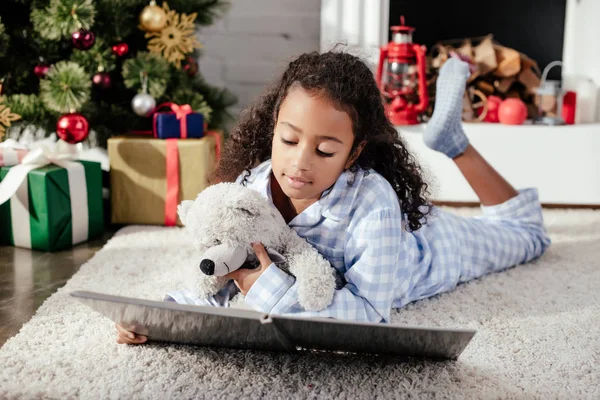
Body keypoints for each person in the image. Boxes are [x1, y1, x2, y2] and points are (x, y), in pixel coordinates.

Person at [116, 51, 551, 345]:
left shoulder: (374, 201)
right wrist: (160, 317)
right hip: (400, 235)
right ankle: (453, 139)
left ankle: (454, 143)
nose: (299, 163)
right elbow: (217, 275)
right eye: (287, 140)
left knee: (527, 235)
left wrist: (263, 285)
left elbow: (368, 314)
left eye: (325, 151)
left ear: (354, 152)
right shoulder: (249, 191)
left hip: (429, 248)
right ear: (273, 129)